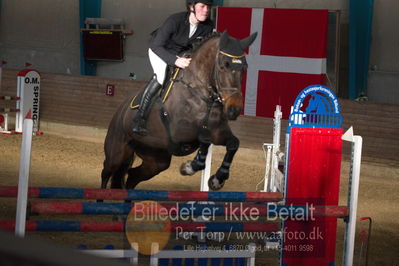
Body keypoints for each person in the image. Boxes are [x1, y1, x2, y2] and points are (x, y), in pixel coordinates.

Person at [133, 0, 214, 136]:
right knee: (161, 76)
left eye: (208, 7)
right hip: (160, 50)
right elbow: (157, 45)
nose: (206, 10)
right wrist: (175, 60)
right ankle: (140, 118)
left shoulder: (208, 26)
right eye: (202, 6)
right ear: (191, 7)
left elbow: (199, 49)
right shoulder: (174, 20)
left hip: (181, 54)